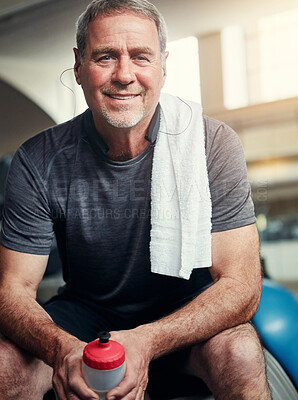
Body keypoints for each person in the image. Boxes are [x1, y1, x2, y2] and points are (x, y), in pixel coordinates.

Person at [0, 0, 271, 399]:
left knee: (241, 352)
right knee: (5, 364)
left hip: (184, 313)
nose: (124, 75)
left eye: (141, 57)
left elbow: (241, 285)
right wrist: (63, 349)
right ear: (78, 66)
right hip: (86, 315)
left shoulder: (211, 144)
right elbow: (12, 290)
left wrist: (147, 340)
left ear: (163, 65)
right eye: (105, 57)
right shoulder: (36, 159)